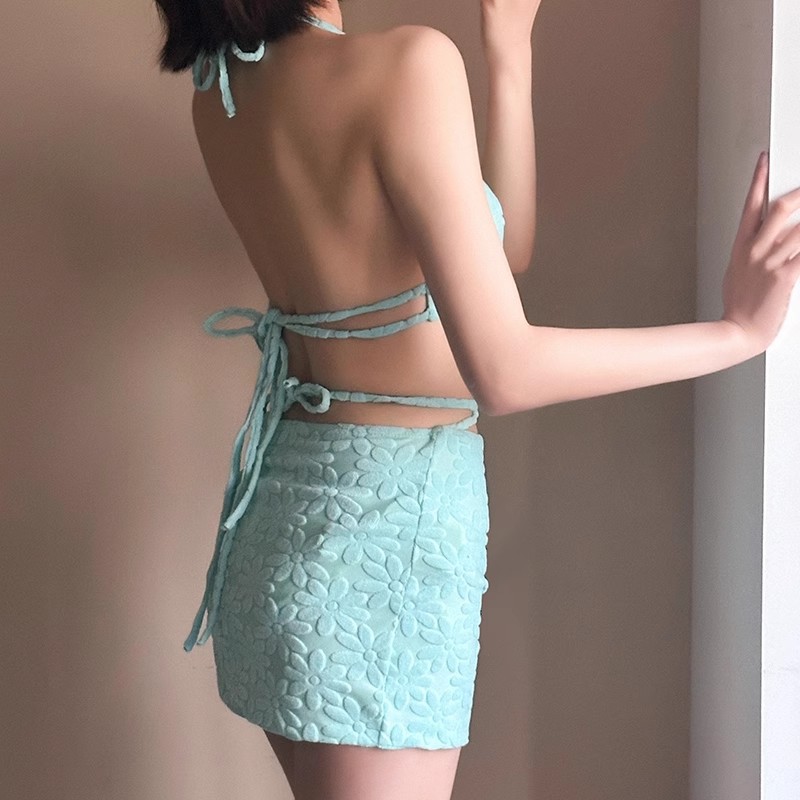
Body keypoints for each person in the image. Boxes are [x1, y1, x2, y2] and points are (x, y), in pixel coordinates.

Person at [153, 0, 800, 797]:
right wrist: (736, 333)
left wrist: (509, 50)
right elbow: (505, 368)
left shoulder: (221, 94)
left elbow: (498, 250)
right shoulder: (405, 67)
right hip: (386, 544)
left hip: (281, 532)